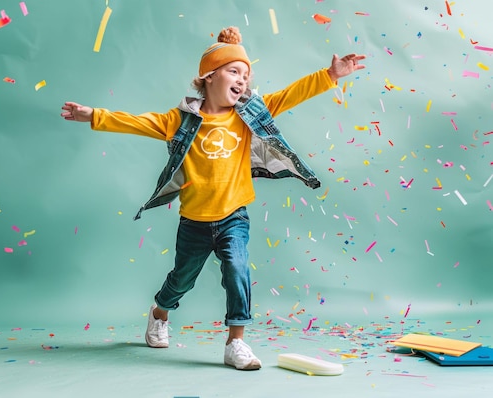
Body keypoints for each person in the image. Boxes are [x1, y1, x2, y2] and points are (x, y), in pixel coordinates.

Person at [61, 26, 365, 370]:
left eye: (246, 74)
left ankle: (236, 342)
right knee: (181, 279)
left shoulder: (248, 114)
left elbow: (290, 94)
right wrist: (93, 115)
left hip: (234, 215)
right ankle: (160, 312)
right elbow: (136, 122)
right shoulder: (181, 120)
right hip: (194, 220)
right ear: (208, 77)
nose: (242, 79)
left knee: (237, 270)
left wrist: (330, 75)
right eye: (233, 71)